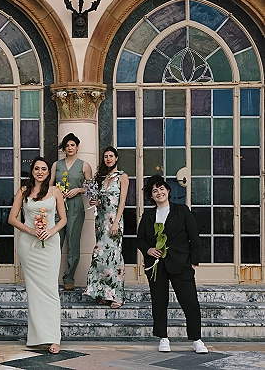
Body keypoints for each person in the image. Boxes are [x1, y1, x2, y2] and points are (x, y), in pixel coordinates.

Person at [137, 175, 208, 354]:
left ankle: (197, 339)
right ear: (151, 196)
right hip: (157, 266)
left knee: (190, 302)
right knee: (159, 303)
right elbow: (140, 240)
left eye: (161, 188)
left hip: (181, 264)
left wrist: (193, 263)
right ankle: (163, 337)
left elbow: (195, 238)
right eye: (154, 191)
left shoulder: (182, 210)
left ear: (168, 190)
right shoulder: (148, 215)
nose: (159, 192)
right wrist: (148, 250)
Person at [9, 157, 67, 354]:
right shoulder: (24, 191)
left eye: (44, 169)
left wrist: (51, 231)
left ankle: (53, 337)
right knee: (34, 292)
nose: (40, 172)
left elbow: (63, 219)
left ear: (48, 172)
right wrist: (31, 230)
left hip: (50, 244)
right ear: (32, 171)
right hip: (29, 245)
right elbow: (12, 218)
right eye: (37, 168)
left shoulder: (55, 191)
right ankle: (36, 337)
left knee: (50, 289)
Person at [84, 146, 128, 308]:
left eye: (111, 156)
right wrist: (96, 202)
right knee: (100, 256)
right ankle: (103, 293)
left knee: (114, 256)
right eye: (106, 156)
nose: (108, 159)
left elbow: (122, 202)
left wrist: (116, 222)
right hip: (101, 222)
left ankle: (118, 296)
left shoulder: (122, 177)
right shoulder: (102, 178)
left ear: (116, 158)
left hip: (114, 221)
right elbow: (102, 199)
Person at [50, 133, 92, 290]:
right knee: (55, 243)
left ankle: (69, 278)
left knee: (73, 244)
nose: (70, 148)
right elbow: (50, 184)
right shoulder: (56, 165)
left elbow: (91, 188)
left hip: (75, 206)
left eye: (72, 145)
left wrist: (78, 190)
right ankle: (50, 277)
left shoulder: (84, 165)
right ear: (64, 148)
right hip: (57, 206)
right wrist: (56, 193)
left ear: (77, 147)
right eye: (67, 145)